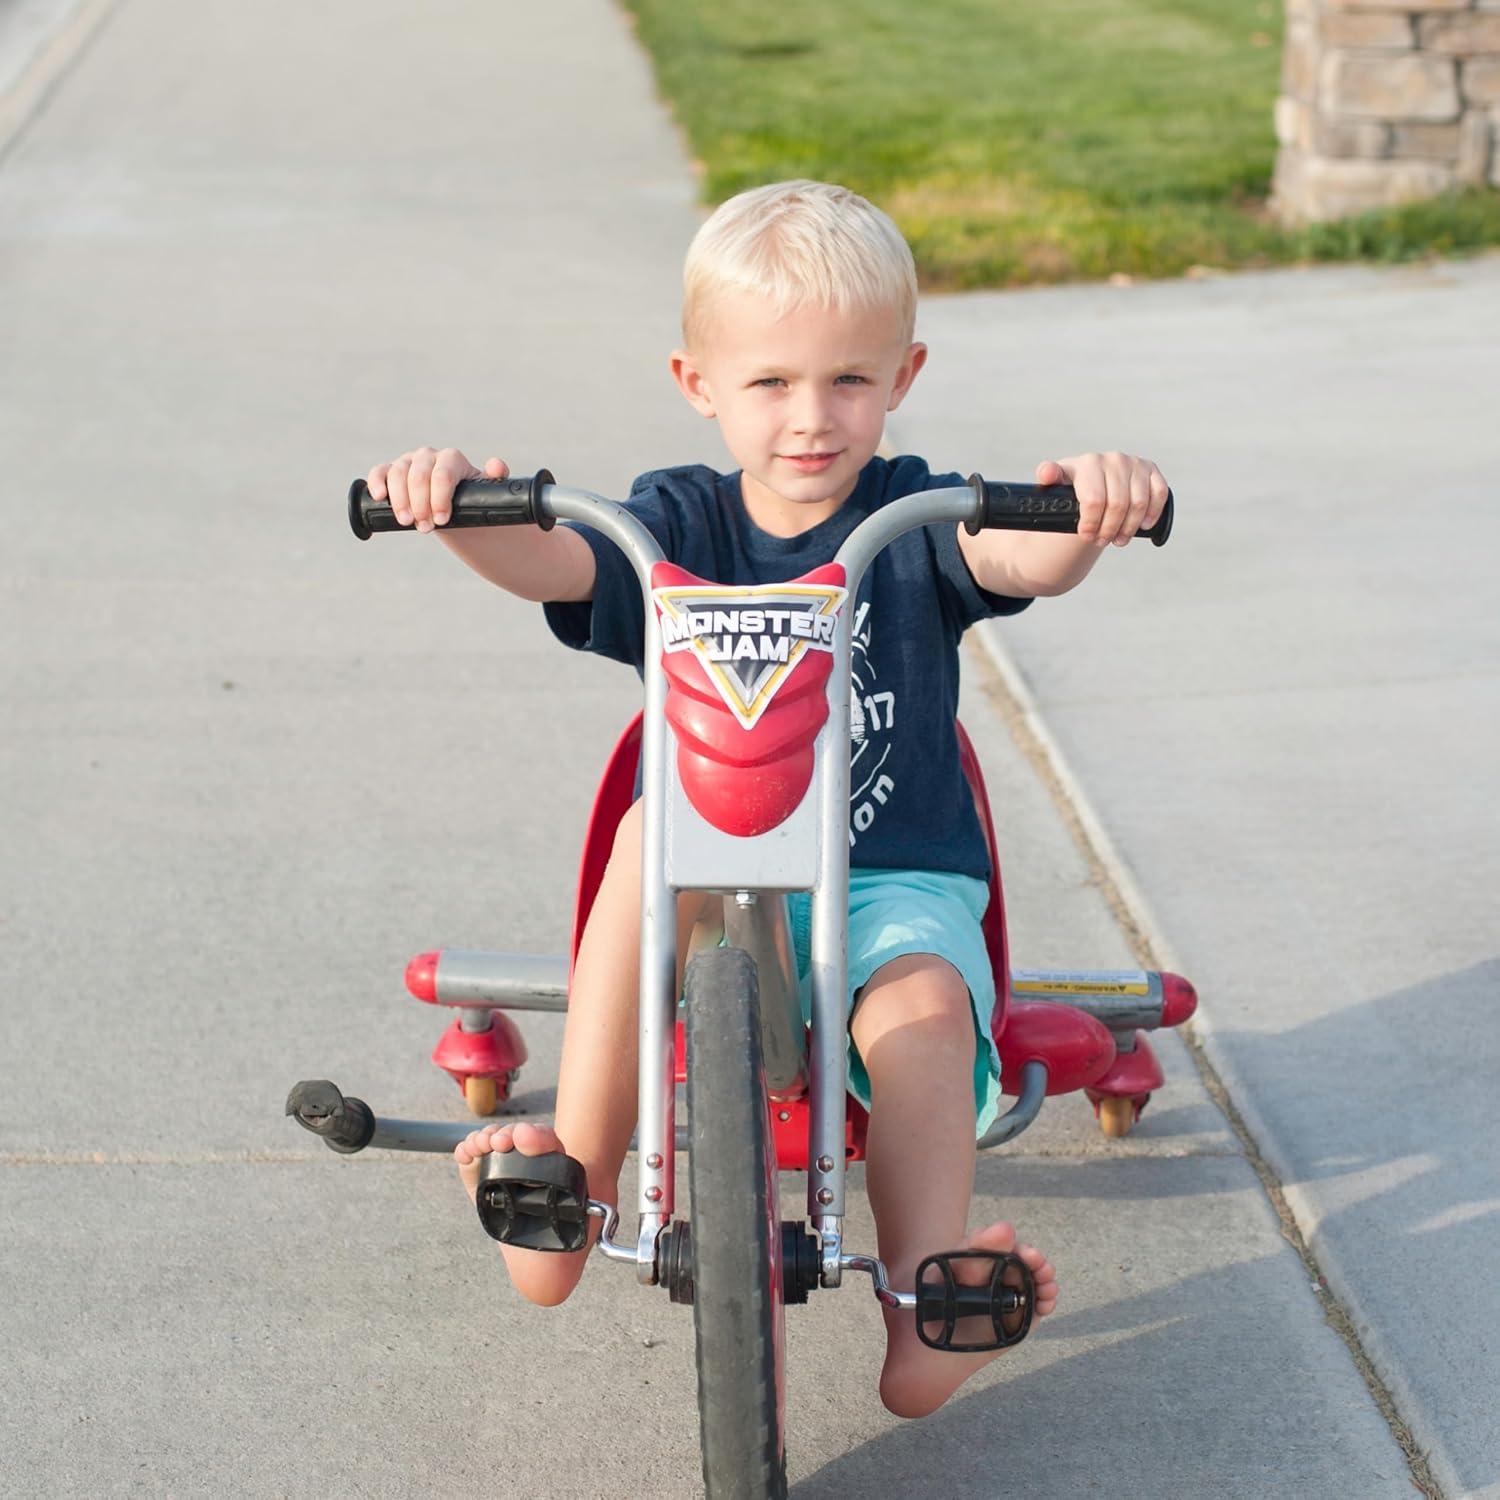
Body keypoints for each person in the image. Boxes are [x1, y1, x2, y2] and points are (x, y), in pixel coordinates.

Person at [363, 180, 1170, 1419]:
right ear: (699, 382)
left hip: (891, 877)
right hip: (707, 857)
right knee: (648, 838)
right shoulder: (675, 522)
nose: (812, 417)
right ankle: (570, 1190)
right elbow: (560, 558)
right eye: (772, 383)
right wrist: (456, 509)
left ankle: (926, 1307)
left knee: (922, 1014)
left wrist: (1088, 515)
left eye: (850, 379)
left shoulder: (913, 514)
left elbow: (1016, 557)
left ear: (904, 374)